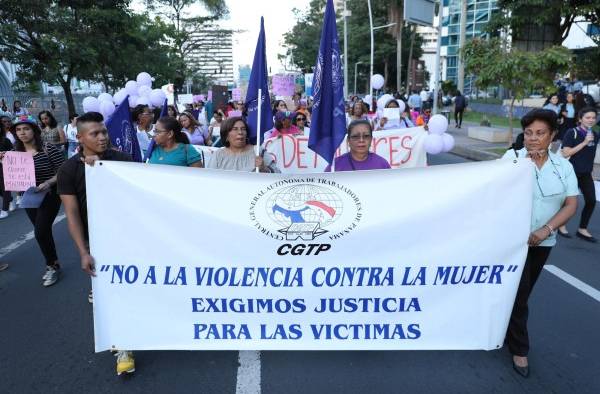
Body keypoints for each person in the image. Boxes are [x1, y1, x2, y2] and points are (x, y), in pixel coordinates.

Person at [57, 111, 135, 375]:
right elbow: (72, 214)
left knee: (130, 290)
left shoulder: (122, 160)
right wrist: (83, 252)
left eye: (104, 131)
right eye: (95, 133)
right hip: (99, 243)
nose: (102, 137)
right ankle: (122, 347)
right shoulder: (68, 170)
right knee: (112, 295)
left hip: (129, 237)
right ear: (79, 138)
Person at [502, 108, 578, 378]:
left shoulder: (563, 166)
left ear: (553, 135)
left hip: (543, 242)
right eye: (529, 133)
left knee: (522, 293)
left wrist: (546, 230)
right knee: (520, 296)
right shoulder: (511, 158)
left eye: (540, 133)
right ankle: (519, 349)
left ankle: (504, 328)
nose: (533, 138)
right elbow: (491, 192)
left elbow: (571, 204)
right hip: (512, 242)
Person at [6, 115, 65, 286]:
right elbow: (12, 176)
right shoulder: (14, 154)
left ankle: (50, 267)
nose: (22, 133)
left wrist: (47, 183)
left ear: (34, 130)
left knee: (39, 232)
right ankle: (54, 263)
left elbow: (62, 171)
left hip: (49, 196)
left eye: (26, 129)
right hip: (29, 198)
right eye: (18, 130)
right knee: (44, 232)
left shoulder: (48, 148)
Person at [559, 107, 599, 242]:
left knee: (591, 201)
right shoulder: (572, 133)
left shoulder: (595, 134)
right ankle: (561, 225)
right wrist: (584, 142)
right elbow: (565, 153)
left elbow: (590, 155)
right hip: (572, 172)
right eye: (588, 117)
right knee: (571, 202)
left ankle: (582, 229)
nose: (591, 120)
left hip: (586, 173)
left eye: (593, 117)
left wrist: (591, 170)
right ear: (580, 119)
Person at [207, 116, 279, 172]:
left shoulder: (258, 151)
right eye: (235, 129)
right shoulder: (218, 155)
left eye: (243, 129)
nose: (240, 132)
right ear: (226, 135)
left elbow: (277, 174)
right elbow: (209, 178)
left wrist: (264, 169)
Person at [325, 120, 391, 172]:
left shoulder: (382, 164)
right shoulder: (334, 167)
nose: (361, 140)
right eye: (355, 136)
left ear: (371, 139)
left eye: (366, 136)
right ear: (348, 140)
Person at [0, 119, 14, 219]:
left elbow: (13, 153)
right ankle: (10, 198)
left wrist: (4, 154)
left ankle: (4, 209)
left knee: (5, 187)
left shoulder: (5, 140)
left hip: (4, 167)